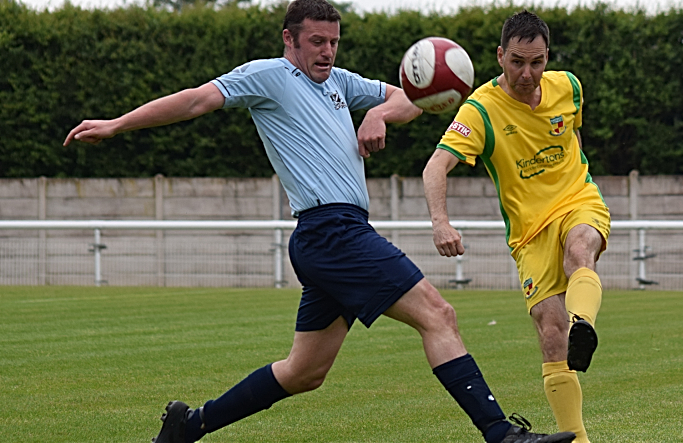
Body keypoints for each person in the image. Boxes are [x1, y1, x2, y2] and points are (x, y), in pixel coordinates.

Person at [64, 2, 576, 442]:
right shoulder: (268, 76)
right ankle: (501, 433)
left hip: (333, 237)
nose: (327, 52)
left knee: (303, 371)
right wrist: (118, 123)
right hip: (331, 232)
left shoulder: (340, 84)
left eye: (333, 41)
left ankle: (188, 427)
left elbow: (408, 99)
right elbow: (197, 99)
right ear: (289, 39)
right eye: (316, 42)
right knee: (438, 315)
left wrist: (376, 115)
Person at [423, 10, 609, 443]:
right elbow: (436, 166)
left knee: (579, 250)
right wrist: (440, 222)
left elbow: (572, 136)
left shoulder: (569, 86)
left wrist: (576, 179)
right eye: (517, 62)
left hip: (579, 201)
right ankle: (577, 439)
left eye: (537, 62)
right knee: (550, 336)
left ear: (548, 57)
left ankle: (584, 322)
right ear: (500, 55)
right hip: (528, 232)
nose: (528, 73)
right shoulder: (480, 110)